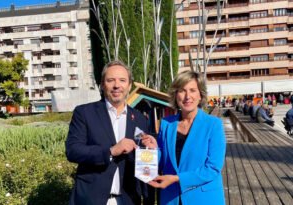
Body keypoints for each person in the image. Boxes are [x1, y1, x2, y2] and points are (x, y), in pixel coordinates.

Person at [65, 61, 153, 205]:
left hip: (128, 200)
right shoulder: (85, 113)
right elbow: (73, 151)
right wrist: (111, 151)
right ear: (102, 84)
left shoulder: (139, 119)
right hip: (92, 200)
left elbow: (143, 163)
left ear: (129, 86)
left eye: (122, 80)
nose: (117, 85)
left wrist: (150, 150)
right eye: (110, 80)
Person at [141, 70, 226, 205]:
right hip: (171, 198)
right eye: (182, 90)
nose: (187, 96)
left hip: (204, 199)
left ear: (200, 95)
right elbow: (162, 161)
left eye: (192, 90)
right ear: (175, 95)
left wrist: (177, 178)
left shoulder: (213, 125)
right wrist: (153, 149)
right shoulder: (166, 124)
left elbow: (213, 168)